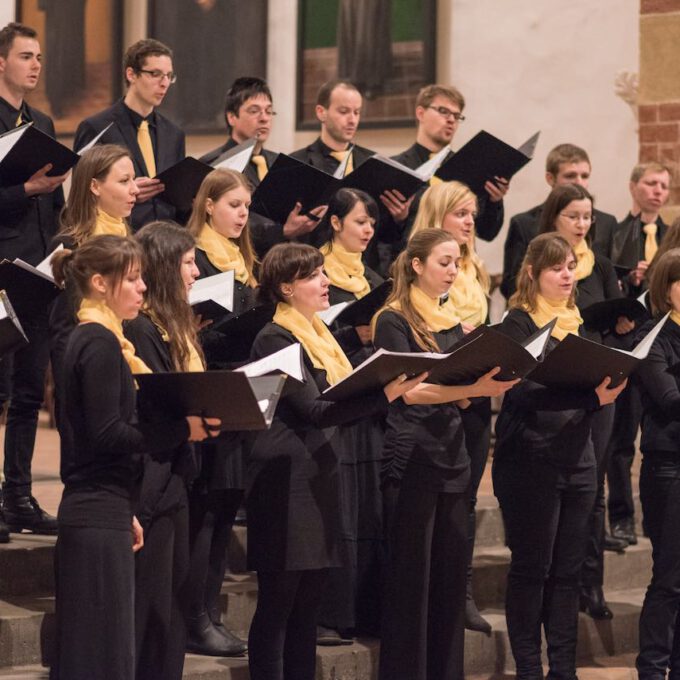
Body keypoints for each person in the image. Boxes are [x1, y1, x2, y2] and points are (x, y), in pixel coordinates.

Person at [246, 242, 424, 680]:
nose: (326, 282)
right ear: (286, 288)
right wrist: (384, 394)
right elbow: (315, 410)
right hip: (285, 481)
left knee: (308, 605)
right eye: (313, 276)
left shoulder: (319, 334)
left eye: (324, 273)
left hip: (318, 473)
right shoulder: (274, 337)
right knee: (279, 604)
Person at [49, 235, 219, 680]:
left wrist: (125, 510)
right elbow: (108, 434)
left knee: (102, 652)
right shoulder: (99, 343)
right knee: (99, 658)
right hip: (94, 510)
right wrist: (183, 430)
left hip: (104, 505)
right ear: (101, 284)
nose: (143, 288)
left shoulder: (99, 337)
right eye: (133, 278)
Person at [373, 229, 518, 680]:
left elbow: (450, 389)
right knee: (412, 581)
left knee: (450, 581)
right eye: (444, 262)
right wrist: (475, 388)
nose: (453, 270)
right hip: (412, 452)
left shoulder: (451, 318)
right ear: (416, 265)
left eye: (457, 262)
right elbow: (410, 393)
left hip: (453, 451)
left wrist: (469, 385)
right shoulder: (392, 319)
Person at [493, 232, 625, 680]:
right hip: (530, 458)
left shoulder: (577, 322)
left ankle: (563, 669)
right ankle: (529, 667)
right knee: (533, 568)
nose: (567, 274)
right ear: (533, 273)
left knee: (568, 572)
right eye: (556, 267)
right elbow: (525, 392)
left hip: (578, 457)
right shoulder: (517, 323)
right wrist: (591, 397)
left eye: (570, 266)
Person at [538, 183, 630, 619]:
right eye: (573, 216)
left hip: (600, 388)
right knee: (559, 491)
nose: (581, 224)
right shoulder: (545, 266)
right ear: (554, 217)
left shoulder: (602, 266)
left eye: (587, 216)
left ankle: (588, 585)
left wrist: (624, 324)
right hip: (560, 392)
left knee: (592, 490)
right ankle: (554, 584)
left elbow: (611, 325)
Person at [409, 180, 495, 633]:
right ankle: (436, 596)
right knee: (436, 508)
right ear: (438, 215)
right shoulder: (418, 271)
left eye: (473, 215)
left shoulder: (474, 268)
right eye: (461, 213)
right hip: (436, 400)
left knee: (464, 502)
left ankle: (460, 594)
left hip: (475, 394)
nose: (469, 222)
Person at [124, 221, 204, 679]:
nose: (194, 273)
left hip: (176, 474)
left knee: (171, 600)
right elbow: (155, 406)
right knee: (150, 603)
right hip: (149, 480)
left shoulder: (175, 324)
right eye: (187, 264)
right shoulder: (141, 327)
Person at [0, 22, 68, 540]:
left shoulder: (41, 121)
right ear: (2, 62)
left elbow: (57, 201)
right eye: (26, 55)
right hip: (2, 274)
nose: (35, 64)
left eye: (39, 56)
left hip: (41, 274)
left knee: (28, 392)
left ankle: (19, 497)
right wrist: (25, 187)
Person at [316, 188, 385, 642]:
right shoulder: (314, 272)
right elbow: (308, 338)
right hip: (333, 405)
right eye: (360, 221)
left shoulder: (376, 279)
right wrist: (351, 332)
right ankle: (330, 611)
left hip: (373, 405)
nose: (368, 230)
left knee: (369, 509)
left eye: (373, 224)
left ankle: (367, 610)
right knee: (338, 510)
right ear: (336, 222)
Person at [607, 161, 671, 548]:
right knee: (621, 439)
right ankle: (621, 517)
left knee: (661, 437)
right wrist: (630, 283)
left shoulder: (670, 236)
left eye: (664, 185)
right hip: (628, 345)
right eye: (650, 183)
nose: (657, 191)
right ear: (634, 187)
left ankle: (658, 516)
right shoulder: (615, 233)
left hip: (663, 347)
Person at [383, 84, 509, 272]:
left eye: (457, 116)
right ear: (420, 113)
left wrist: (494, 200)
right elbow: (381, 238)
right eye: (443, 111)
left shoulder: (470, 168)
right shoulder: (397, 168)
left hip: (460, 270)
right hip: (413, 270)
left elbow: (487, 232)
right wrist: (398, 220)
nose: (451, 120)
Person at [49, 143, 139, 401]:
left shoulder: (131, 240)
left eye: (133, 179)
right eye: (124, 181)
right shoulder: (69, 244)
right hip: (89, 366)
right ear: (95, 186)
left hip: (128, 355)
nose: (134, 189)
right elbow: (63, 325)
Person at [199, 77, 324, 258]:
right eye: (254, 111)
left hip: (284, 261)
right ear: (232, 117)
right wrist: (282, 231)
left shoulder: (279, 162)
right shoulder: (216, 165)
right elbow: (217, 227)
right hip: (239, 261)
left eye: (269, 111)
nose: (264, 118)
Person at [73, 39, 185, 230]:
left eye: (169, 76)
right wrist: (129, 190)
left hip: (167, 239)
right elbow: (82, 194)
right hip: (120, 237)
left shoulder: (174, 133)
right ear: (131, 74)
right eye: (155, 74)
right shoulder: (96, 127)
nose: (164, 83)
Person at [634, 248, 680, 680]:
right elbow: (669, 400)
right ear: (667, 289)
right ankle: (651, 667)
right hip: (669, 469)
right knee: (669, 576)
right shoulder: (653, 338)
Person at [501, 143, 619, 300]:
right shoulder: (524, 223)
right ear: (550, 178)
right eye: (570, 176)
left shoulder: (606, 222)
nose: (579, 182)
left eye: (584, 176)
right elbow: (511, 285)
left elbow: (611, 274)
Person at [290, 80, 375, 250]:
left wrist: (399, 216)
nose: (352, 120)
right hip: (318, 260)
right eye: (343, 111)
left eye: (357, 112)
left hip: (367, 265)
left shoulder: (371, 162)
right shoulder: (297, 163)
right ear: (321, 112)